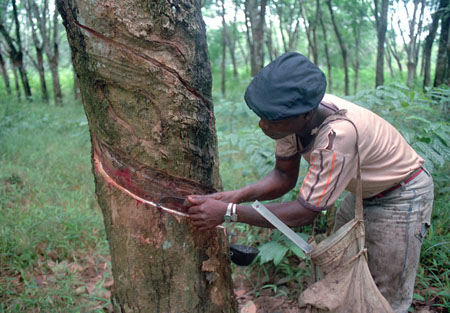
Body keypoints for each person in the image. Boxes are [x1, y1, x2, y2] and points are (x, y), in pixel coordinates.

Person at [187, 52, 434, 313]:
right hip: (364, 195)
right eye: (261, 116)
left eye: (270, 119)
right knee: (342, 271)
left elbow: (305, 212)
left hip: (402, 196)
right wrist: (235, 196)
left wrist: (228, 213)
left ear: (305, 115)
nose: (263, 125)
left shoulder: (337, 136)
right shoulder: (290, 117)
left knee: (384, 294)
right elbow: (283, 177)